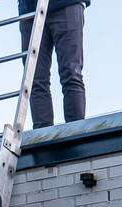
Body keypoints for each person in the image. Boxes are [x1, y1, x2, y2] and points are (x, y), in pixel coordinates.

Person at [18, 0, 88, 129]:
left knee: (71, 73)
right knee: (34, 79)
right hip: (30, 9)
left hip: (66, 4)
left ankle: (76, 132)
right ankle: (42, 135)